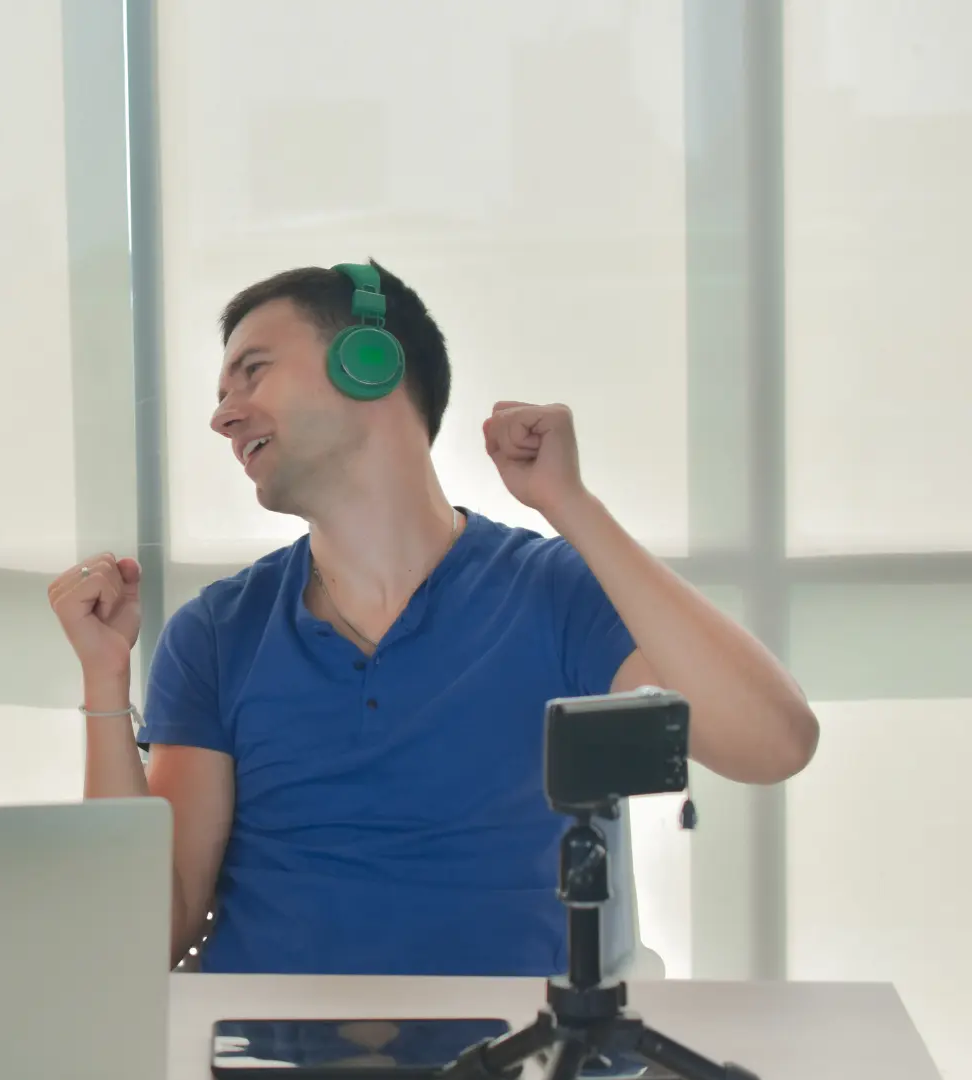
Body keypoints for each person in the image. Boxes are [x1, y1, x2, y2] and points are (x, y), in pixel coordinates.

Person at [49, 260, 819, 977]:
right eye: (221, 391)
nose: (222, 416)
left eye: (252, 371)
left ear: (370, 363)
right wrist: (106, 676)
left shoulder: (554, 591)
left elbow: (773, 745)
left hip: (510, 1050)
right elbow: (147, 936)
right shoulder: (217, 632)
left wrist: (570, 506)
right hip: (268, 1049)